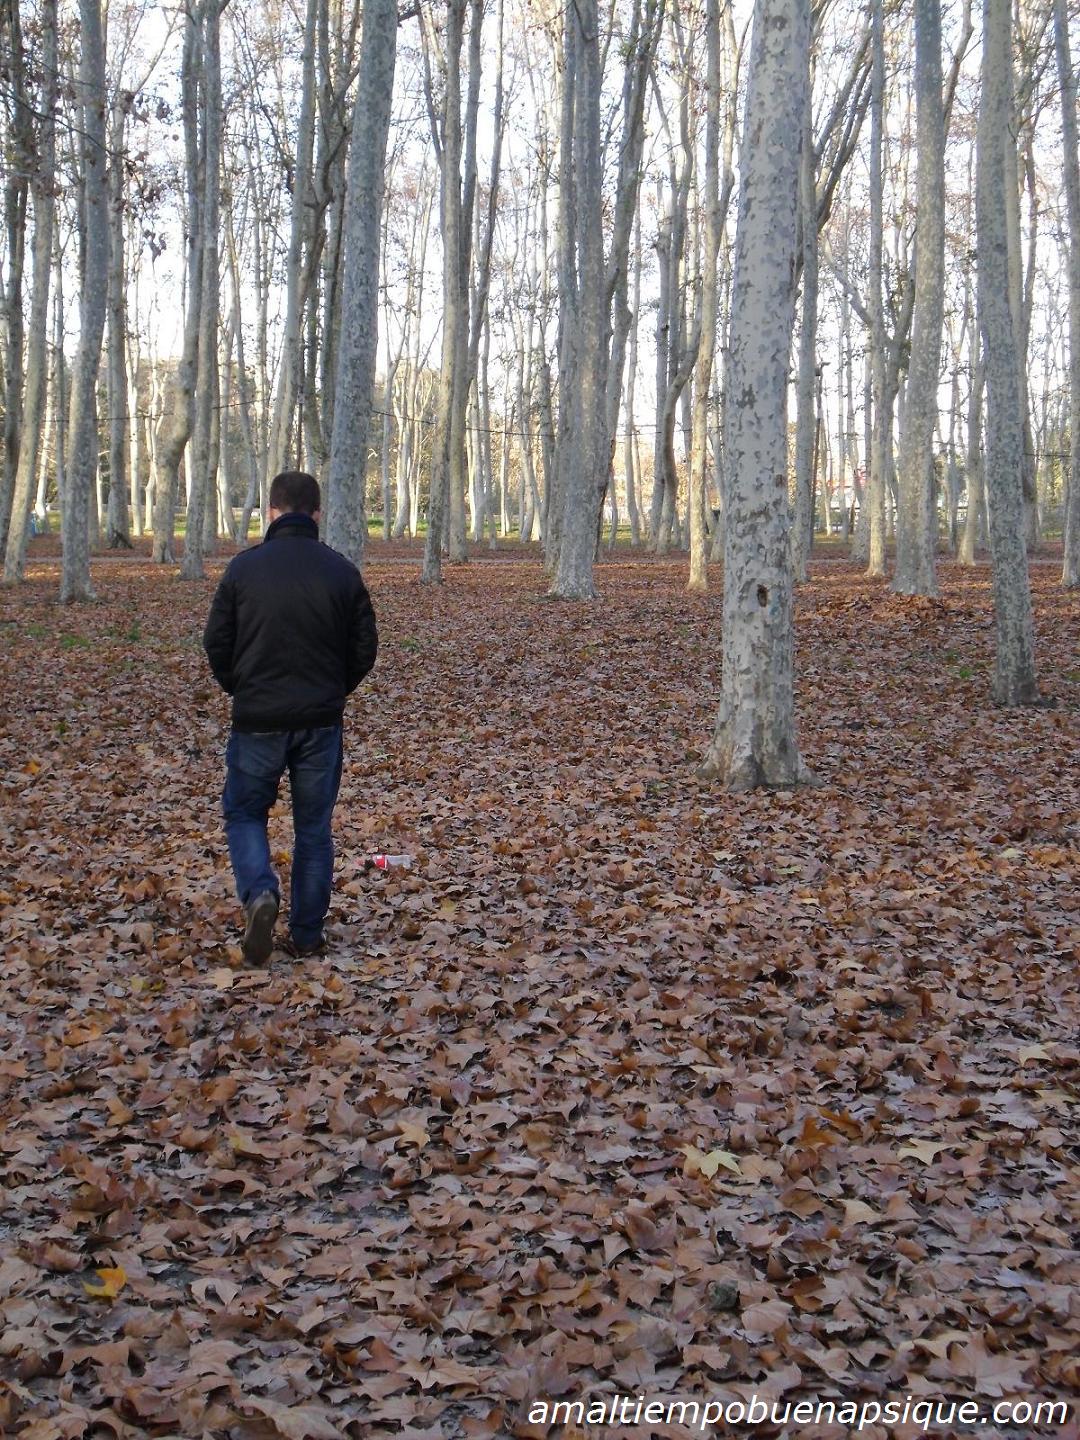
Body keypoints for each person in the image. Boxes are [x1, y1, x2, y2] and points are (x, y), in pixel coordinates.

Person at [203, 471, 378, 962]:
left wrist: (241, 688)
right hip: (319, 721)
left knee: (244, 813)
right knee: (313, 828)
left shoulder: (243, 570)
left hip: (258, 718)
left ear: (272, 511)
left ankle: (260, 891)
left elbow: (216, 641)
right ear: (317, 514)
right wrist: (334, 690)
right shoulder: (341, 572)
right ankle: (306, 934)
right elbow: (364, 647)